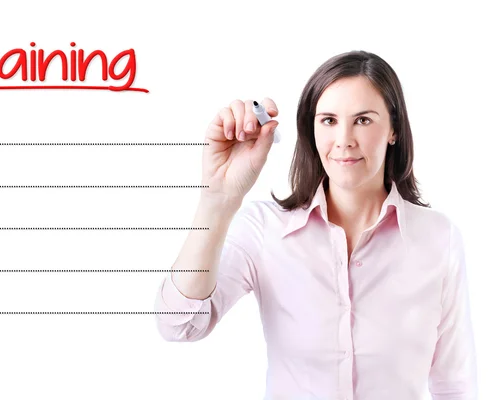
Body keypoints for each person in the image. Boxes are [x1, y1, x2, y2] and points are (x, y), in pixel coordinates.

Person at [153, 50, 478, 399]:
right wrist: (217, 201)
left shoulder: (437, 239)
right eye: (328, 120)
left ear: (394, 129)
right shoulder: (266, 229)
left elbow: (454, 385)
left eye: (363, 120)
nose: (344, 140)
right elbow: (179, 324)